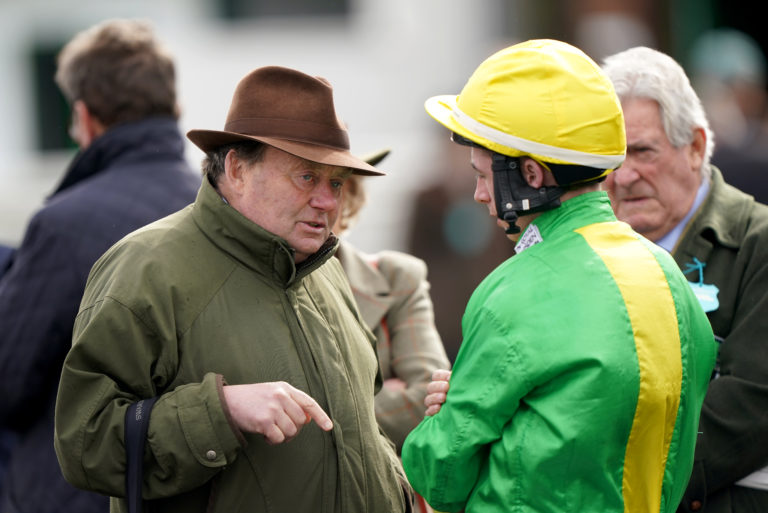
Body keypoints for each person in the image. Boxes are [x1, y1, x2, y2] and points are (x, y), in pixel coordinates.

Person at [53, 65, 411, 513]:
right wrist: (220, 411)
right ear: (238, 169)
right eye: (306, 177)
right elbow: (84, 443)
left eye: (336, 182)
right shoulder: (146, 267)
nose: (328, 201)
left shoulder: (324, 270)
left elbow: (360, 428)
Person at [400, 39, 717, 513]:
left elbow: (439, 473)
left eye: (483, 176)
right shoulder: (669, 276)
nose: (478, 195)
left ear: (530, 174)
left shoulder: (512, 291)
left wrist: (440, 416)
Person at [0, 19, 200, 513]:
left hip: (85, 493)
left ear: (85, 117)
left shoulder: (64, 223)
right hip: (197, 485)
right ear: (175, 109)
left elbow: (8, 382)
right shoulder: (219, 207)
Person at [601, 46, 768, 513]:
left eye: (643, 151)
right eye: (610, 158)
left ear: (695, 146)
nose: (625, 175)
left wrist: (606, 471)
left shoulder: (759, 243)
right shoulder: (587, 257)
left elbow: (751, 404)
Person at [334, 149, 450, 455]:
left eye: (335, 183)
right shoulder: (251, 279)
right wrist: (384, 397)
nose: (320, 199)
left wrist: (309, 416)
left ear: (351, 194)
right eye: (305, 178)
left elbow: (431, 401)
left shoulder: (396, 276)